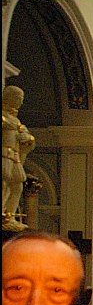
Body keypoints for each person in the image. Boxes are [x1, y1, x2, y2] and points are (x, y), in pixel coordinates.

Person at [2, 85, 35, 227]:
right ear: (8, 98)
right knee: (3, 184)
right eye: (18, 98)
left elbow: (27, 138)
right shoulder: (4, 118)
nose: (20, 102)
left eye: (21, 99)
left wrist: (28, 139)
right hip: (4, 155)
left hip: (14, 157)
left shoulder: (16, 121)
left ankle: (9, 215)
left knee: (17, 186)